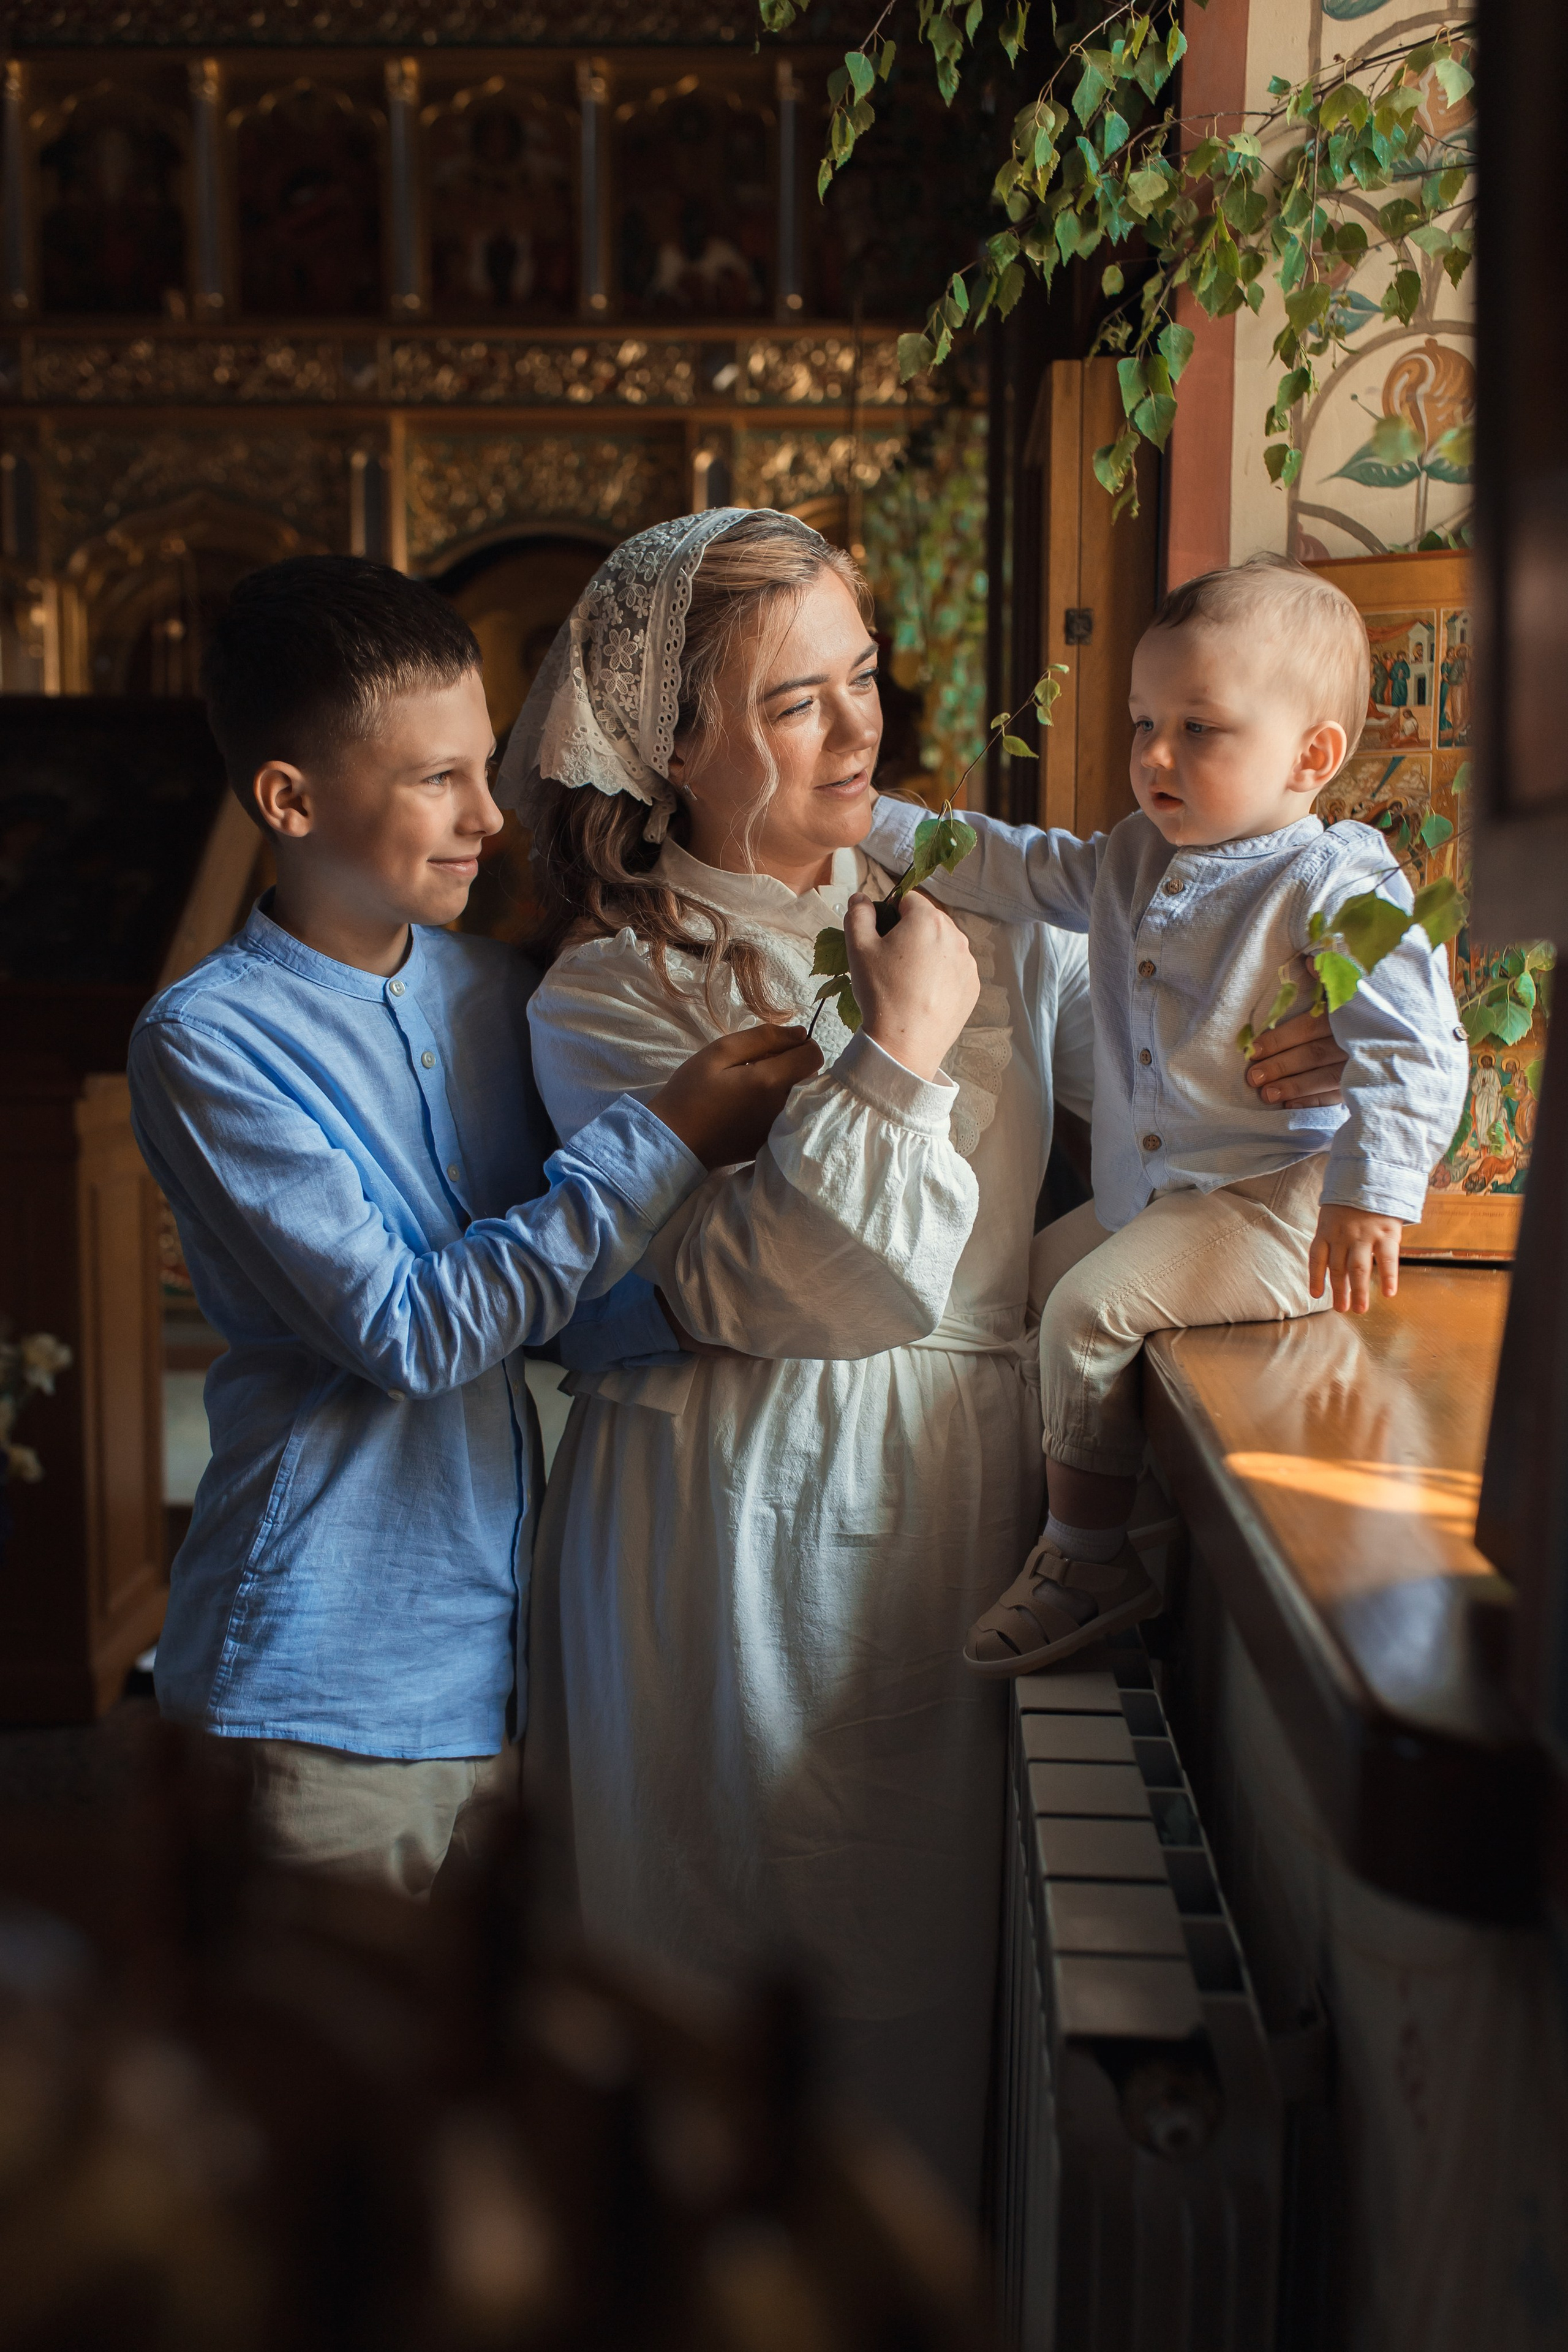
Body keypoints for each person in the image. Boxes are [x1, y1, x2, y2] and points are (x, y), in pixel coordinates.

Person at [497, 510, 1348, 2200]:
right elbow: (772, 1289)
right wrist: (892, 1053)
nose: (860, 728)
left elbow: (1139, 1146)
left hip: (959, 1477)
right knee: (728, 1971)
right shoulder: (611, 990)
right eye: (795, 704)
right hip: (729, 1510)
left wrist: (1292, 1055)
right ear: (669, 748)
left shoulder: (987, 911)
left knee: (922, 1999)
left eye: (863, 678)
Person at [127, 554, 827, 1898]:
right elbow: (413, 1331)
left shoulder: (497, 991)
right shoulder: (208, 1044)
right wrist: (671, 1132)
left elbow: (566, 1292)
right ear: (290, 797)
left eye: (485, 767)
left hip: (515, 1665)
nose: (487, 820)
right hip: (310, 1685)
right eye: (433, 779)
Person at [860, 554, 1471, 1680]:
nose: (1153, 755)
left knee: (1089, 1311)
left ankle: (1088, 1558)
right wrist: (878, 821)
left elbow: (1416, 1043)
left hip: (1272, 1202)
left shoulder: (1338, 883)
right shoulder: (1138, 854)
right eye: (1146, 722)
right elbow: (1026, 866)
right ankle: (1116, 1518)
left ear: (1313, 756)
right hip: (1163, 1196)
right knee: (1035, 1280)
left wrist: (1371, 1196)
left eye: (1200, 729)